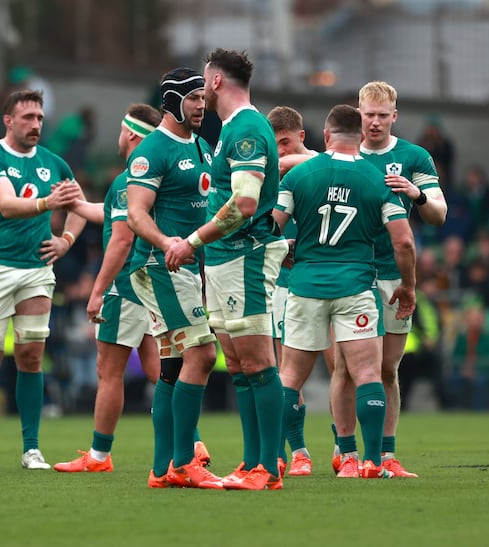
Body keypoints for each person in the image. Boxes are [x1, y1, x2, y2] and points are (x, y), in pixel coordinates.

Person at [165, 49, 288, 491]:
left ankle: (268, 470)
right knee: (237, 364)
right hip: (223, 259)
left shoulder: (249, 129)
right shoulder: (233, 129)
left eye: (204, 80)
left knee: (257, 360)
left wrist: (193, 240)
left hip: (244, 256)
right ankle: (251, 462)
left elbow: (245, 203)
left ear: (215, 81)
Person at [273, 104, 417, 479]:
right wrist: (409, 285)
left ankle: (273, 458)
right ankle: (369, 462)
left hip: (305, 288)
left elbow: (272, 226)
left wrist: (286, 250)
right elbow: (403, 243)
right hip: (356, 287)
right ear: (360, 137)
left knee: (290, 377)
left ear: (325, 136)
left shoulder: (300, 175)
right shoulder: (376, 180)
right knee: (369, 372)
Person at [0, 89, 86, 471]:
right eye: (28, 117)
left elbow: (77, 204)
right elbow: (8, 206)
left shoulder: (54, 163)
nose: (36, 125)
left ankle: (31, 449)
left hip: (36, 271)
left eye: (40, 118)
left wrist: (66, 240)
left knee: (31, 354)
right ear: (8, 120)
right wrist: (48, 204)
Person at [328, 80, 446, 477]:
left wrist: (417, 194)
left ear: (395, 116)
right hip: (350, 275)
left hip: (395, 277)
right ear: (357, 114)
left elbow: (439, 214)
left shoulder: (414, 157)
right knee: (345, 369)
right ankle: (346, 452)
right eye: (368, 115)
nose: (374, 123)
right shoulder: (341, 155)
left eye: (382, 116)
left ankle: (386, 455)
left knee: (388, 370)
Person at [52, 103, 164, 473]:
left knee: (109, 370)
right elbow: (116, 215)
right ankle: (191, 442)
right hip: (156, 280)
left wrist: (98, 290)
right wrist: (80, 205)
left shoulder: (129, 178)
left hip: (128, 285)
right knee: (159, 367)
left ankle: (99, 456)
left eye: (120, 130)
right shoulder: (155, 173)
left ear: (131, 134)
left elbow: (121, 240)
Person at [126, 69, 221, 489]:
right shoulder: (153, 150)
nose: (202, 105)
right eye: (194, 98)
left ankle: (162, 468)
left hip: (185, 268)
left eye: (204, 97)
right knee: (202, 354)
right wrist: (169, 243)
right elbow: (136, 214)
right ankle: (185, 462)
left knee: (171, 367)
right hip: (161, 266)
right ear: (171, 102)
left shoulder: (202, 145)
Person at [267, 105, 334, 477]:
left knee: (341, 368)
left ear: (301, 137)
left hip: (332, 282)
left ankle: (347, 450)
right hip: (285, 286)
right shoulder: (267, 175)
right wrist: (283, 248)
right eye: (275, 146)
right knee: (286, 372)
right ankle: (295, 452)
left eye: (286, 143)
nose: (281, 153)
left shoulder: (323, 166)